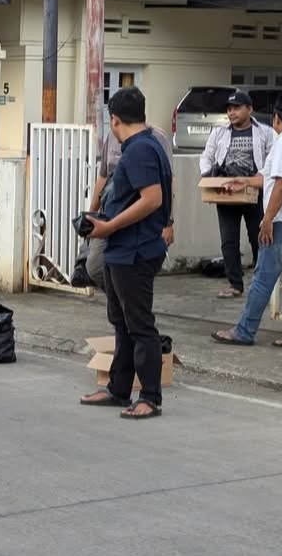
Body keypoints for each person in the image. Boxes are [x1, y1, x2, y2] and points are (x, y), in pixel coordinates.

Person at [80, 87, 173, 419]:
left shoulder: (140, 151)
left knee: (139, 324)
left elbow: (153, 199)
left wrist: (109, 227)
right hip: (123, 247)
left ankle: (150, 396)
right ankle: (119, 389)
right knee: (121, 322)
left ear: (114, 120)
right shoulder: (147, 144)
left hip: (135, 249)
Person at [211, 95, 282, 350]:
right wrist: (246, 182)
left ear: (277, 119)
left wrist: (268, 219)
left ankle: (244, 331)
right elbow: (269, 177)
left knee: (263, 277)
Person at [199, 91, 276, 299]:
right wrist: (208, 177)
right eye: (229, 109)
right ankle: (235, 284)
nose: (231, 113)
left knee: (258, 238)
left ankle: (262, 286)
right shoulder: (219, 132)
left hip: (253, 191)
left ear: (249, 109)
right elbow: (206, 156)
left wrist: (260, 177)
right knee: (228, 240)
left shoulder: (266, 132)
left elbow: (273, 160)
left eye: (236, 108)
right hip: (226, 191)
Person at [86, 125, 175, 291]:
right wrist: (92, 214)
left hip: (139, 221)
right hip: (108, 215)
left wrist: (168, 222)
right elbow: (103, 177)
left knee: (131, 273)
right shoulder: (112, 138)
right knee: (95, 267)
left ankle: (131, 303)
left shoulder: (154, 140)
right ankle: (123, 301)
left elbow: (165, 183)